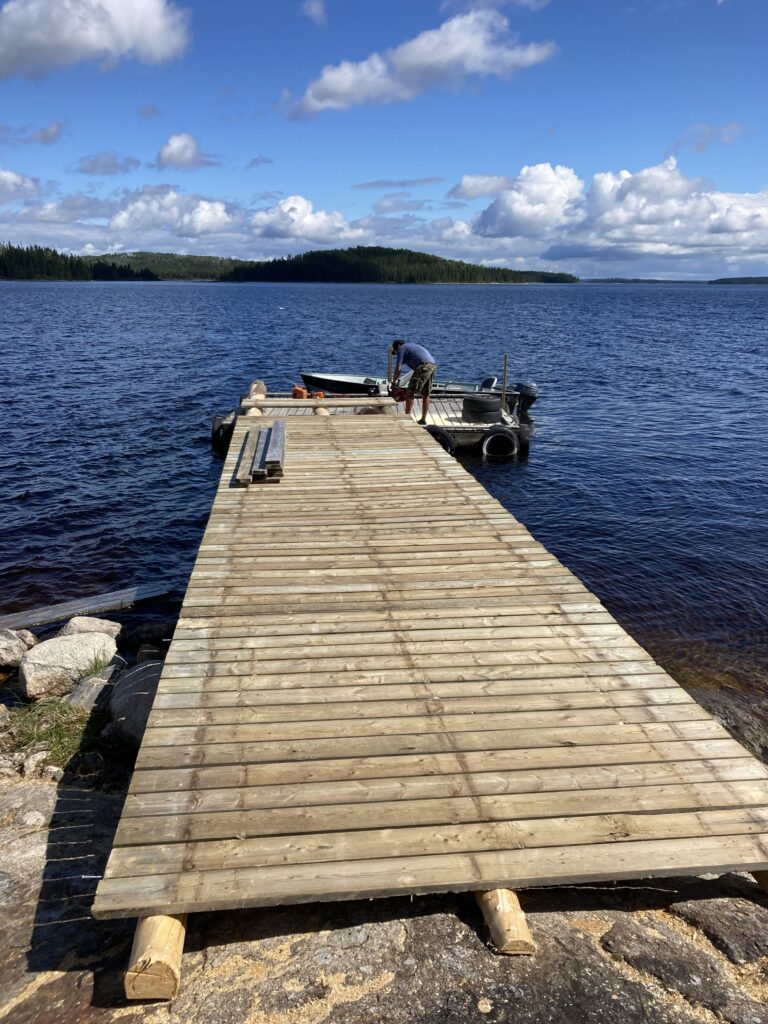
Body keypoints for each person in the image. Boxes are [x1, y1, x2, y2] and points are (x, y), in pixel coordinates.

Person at [391, 339, 437, 424]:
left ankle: (407, 418)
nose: (397, 354)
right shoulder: (411, 347)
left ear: (397, 346)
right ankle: (423, 420)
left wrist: (393, 382)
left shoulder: (401, 348)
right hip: (432, 365)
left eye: (396, 352)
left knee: (410, 391)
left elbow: (398, 368)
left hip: (423, 366)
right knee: (425, 393)